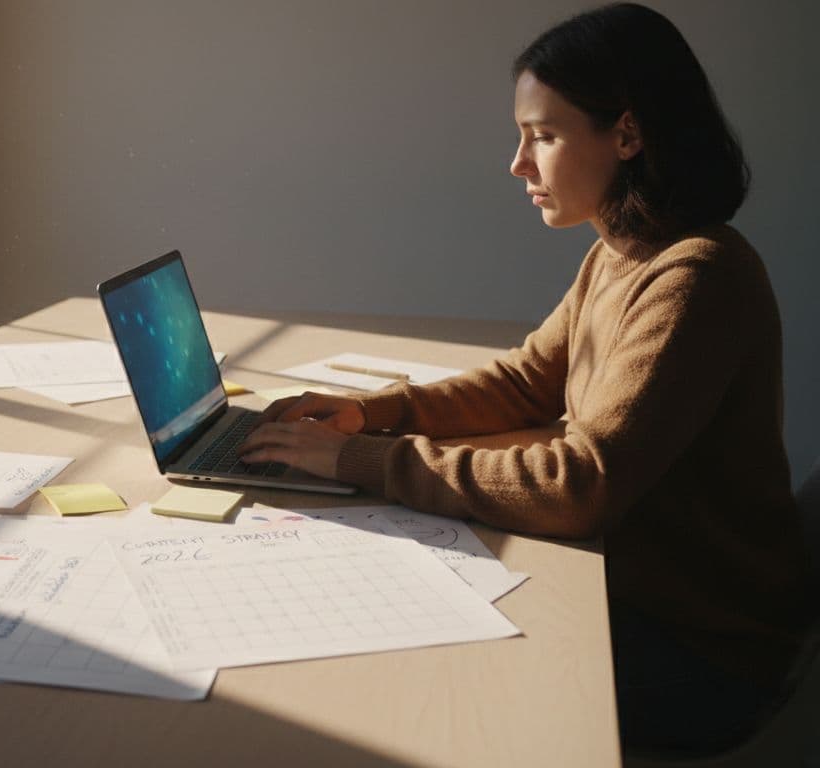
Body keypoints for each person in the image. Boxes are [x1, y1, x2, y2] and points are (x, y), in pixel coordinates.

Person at [238, 2, 809, 757]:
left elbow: (582, 486)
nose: (518, 163)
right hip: (638, 596)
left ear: (628, 135)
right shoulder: (622, 253)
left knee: (441, 690)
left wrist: (361, 461)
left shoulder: (695, 276)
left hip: (705, 655)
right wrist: (369, 414)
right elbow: (525, 383)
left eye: (543, 135)